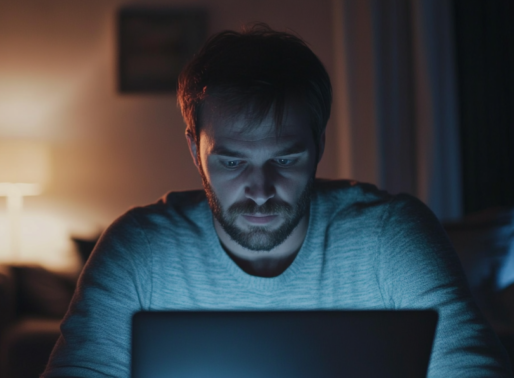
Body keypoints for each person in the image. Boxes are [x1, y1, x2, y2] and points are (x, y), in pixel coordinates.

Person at [43, 24, 511, 377]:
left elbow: (471, 367)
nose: (261, 190)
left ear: (319, 146)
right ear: (194, 149)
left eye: (285, 159)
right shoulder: (137, 249)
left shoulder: (392, 234)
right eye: (231, 163)